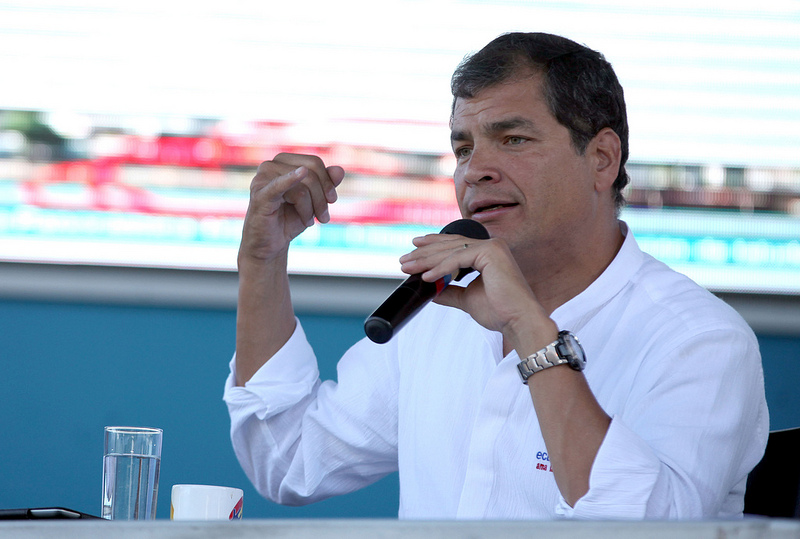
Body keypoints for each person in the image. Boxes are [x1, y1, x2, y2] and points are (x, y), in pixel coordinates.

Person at [224, 32, 768, 519]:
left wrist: (531, 332)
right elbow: (290, 461)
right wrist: (261, 262)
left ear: (602, 159)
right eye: (464, 148)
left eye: (513, 139)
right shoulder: (438, 316)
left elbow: (643, 529)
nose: (475, 171)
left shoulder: (698, 339)